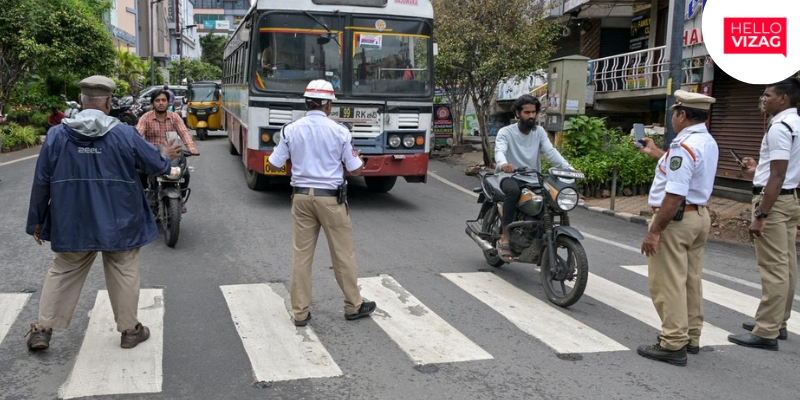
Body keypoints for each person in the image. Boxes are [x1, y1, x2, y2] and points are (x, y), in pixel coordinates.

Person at [24, 75, 183, 350]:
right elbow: (154, 163)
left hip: (73, 220)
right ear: (109, 103)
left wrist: (37, 220)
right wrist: (165, 158)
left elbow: (41, 181)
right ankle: (130, 330)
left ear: (82, 101)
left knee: (64, 270)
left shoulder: (57, 135)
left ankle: (42, 330)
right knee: (123, 269)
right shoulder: (123, 133)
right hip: (120, 221)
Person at [267, 79, 376, 326]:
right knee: (342, 255)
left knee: (301, 256)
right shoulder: (340, 131)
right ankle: (353, 305)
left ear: (307, 103)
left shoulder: (290, 129)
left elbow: (274, 163)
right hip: (331, 200)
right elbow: (355, 169)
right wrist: (362, 161)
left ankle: (300, 313)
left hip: (301, 197)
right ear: (327, 105)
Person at [636, 90, 718, 366]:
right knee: (690, 280)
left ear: (682, 115)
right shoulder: (706, 141)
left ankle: (672, 343)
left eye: (674, 112)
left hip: (677, 220)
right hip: (699, 217)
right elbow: (683, 174)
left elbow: (674, 194)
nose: (672, 117)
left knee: (667, 282)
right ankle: (691, 337)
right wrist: (657, 154)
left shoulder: (684, 146)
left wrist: (655, 231)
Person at [729, 77, 800, 351]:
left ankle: (767, 331)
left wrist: (761, 213)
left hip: (776, 201)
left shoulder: (780, 127)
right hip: (790, 199)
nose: (763, 98)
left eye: (767, 95)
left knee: (773, 267)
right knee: (787, 264)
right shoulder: (795, 123)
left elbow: (778, 175)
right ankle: (778, 321)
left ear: (783, 99)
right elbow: (783, 168)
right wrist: (758, 167)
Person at [493, 94, 573, 261]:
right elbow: (500, 150)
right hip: (510, 175)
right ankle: (505, 236)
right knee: (513, 192)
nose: (531, 116)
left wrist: (569, 169)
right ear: (517, 113)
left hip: (532, 177)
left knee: (549, 198)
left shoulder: (539, 132)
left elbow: (550, 152)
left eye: (533, 112)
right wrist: (503, 164)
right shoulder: (505, 132)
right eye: (526, 112)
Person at [136, 90, 200, 212]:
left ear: (168, 102)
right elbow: (138, 135)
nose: (161, 103)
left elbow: (184, 132)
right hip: (153, 155)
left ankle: (181, 198)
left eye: (163, 100)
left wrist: (192, 148)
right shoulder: (145, 118)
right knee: (140, 173)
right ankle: (143, 199)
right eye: (157, 100)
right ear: (153, 103)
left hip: (173, 154)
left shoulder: (175, 117)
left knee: (185, 173)